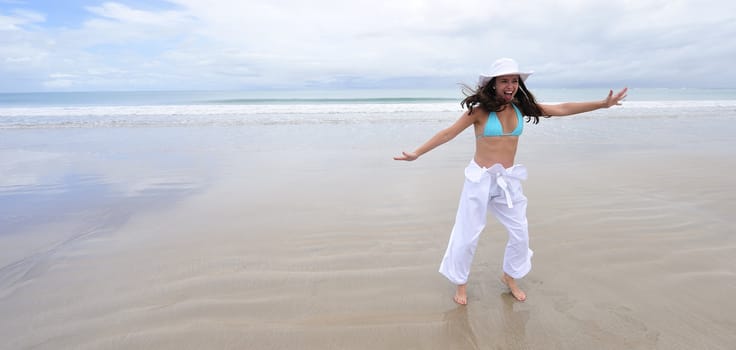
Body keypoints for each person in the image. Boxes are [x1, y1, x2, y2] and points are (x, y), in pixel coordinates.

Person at [394, 58, 627, 304]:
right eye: (504, 80)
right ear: (493, 84)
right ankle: (460, 284)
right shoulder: (479, 112)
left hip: (509, 180)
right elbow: (448, 133)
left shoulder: (521, 107)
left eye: (514, 81)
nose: (510, 85)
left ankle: (510, 276)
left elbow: (562, 108)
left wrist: (603, 104)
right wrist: (417, 153)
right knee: (466, 234)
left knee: (520, 234)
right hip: (480, 180)